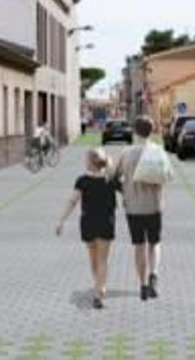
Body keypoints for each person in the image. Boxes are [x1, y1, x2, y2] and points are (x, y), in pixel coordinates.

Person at [110, 116, 174, 301]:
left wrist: (126, 191)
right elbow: (168, 176)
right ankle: (154, 274)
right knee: (154, 243)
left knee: (139, 245)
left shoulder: (126, 153)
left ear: (135, 132)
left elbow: (114, 179)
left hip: (133, 207)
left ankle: (143, 285)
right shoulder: (158, 151)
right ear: (151, 131)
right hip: (155, 206)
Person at [56, 148, 119, 309]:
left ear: (91, 163)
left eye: (86, 160)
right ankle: (99, 289)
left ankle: (98, 288)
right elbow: (128, 193)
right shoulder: (111, 179)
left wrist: (61, 220)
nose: (84, 162)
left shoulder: (82, 181)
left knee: (93, 258)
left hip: (88, 222)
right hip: (106, 222)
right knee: (102, 259)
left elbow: (72, 201)